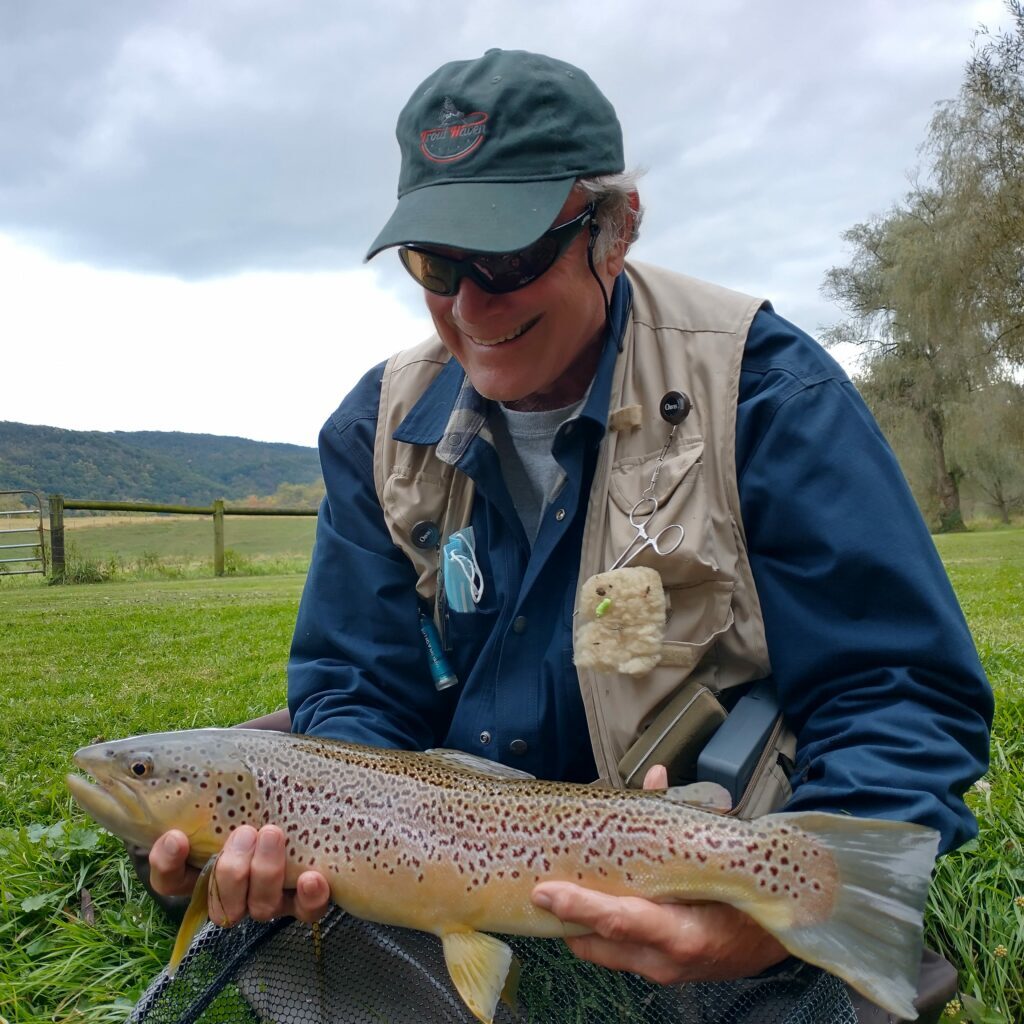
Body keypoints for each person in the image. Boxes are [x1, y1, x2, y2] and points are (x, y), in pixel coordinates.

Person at [149, 48, 991, 1017]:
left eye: (507, 258)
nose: (468, 308)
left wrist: (755, 917)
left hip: (686, 837)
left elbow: (899, 689)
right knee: (231, 782)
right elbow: (355, 696)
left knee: (804, 938)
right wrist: (319, 836)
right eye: (435, 263)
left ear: (617, 227)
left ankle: (798, 945)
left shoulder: (764, 393)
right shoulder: (371, 430)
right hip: (452, 839)